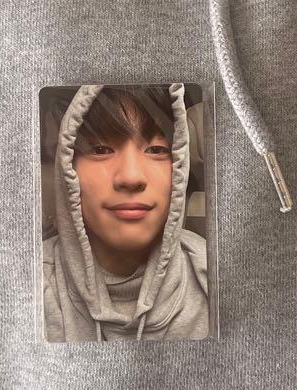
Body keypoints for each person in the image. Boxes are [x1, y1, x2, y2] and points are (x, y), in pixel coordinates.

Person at [41, 83, 209, 342]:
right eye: (100, 150)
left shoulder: (214, 275)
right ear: (67, 168)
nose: (131, 177)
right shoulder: (29, 285)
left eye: (156, 150)